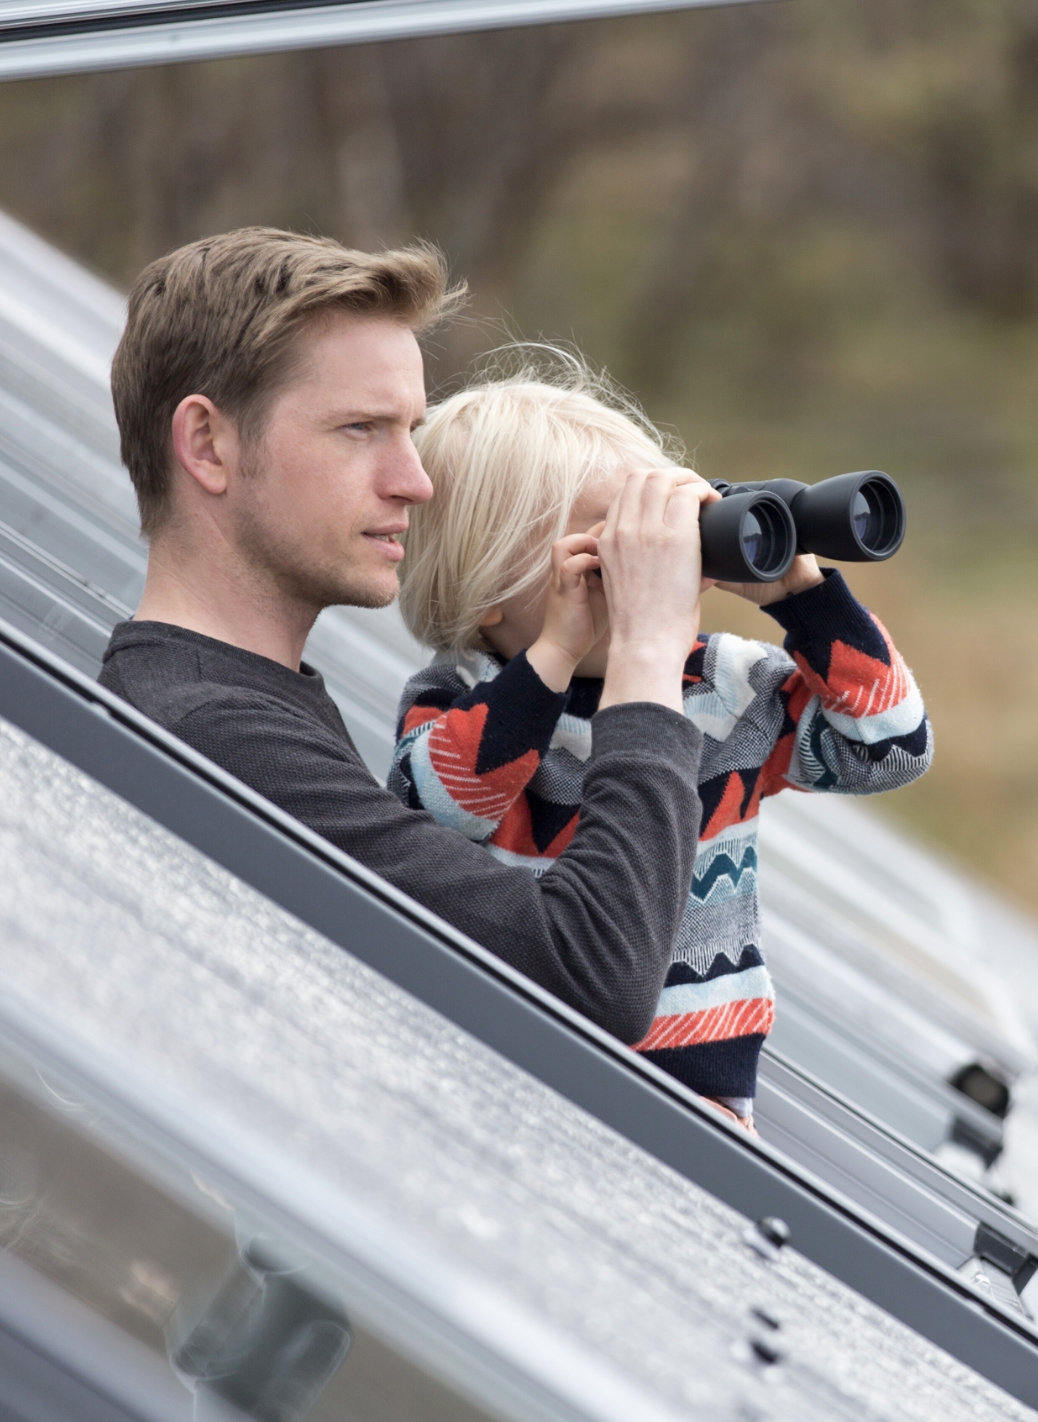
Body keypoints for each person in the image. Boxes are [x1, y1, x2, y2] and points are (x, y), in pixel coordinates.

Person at [97, 228, 715, 1064]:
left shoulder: (232, 702)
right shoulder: (215, 734)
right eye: (360, 429)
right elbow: (592, 972)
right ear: (208, 444)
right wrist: (646, 653)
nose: (415, 481)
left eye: (412, 430)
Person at [390, 353, 934, 1126]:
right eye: (617, 551)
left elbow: (888, 747)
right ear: (487, 593)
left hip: (701, 1092)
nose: (653, 569)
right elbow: (437, 807)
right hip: (510, 1072)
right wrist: (555, 655)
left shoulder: (723, 686)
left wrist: (804, 600)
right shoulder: (456, 700)